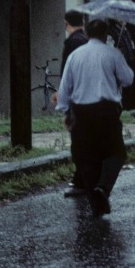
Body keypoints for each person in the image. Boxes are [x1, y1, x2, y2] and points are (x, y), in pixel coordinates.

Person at [56, 18, 134, 217]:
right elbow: (128, 79)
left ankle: (96, 202)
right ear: (105, 34)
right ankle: (104, 187)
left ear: (88, 34)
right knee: (116, 152)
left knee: (88, 157)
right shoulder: (113, 54)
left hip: (81, 112)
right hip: (107, 110)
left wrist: (66, 111)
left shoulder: (75, 55)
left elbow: (66, 87)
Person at [57, 10, 89, 198]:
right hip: (85, 95)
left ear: (65, 22)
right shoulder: (85, 41)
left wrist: (64, 95)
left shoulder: (72, 43)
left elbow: (69, 72)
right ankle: (83, 178)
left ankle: (81, 181)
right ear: (83, 22)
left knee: (78, 141)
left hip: (76, 97)